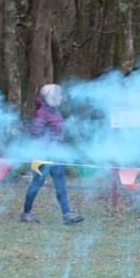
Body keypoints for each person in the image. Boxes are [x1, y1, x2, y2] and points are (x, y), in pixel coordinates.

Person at [20, 84, 84, 225]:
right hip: (44, 157)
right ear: (52, 97)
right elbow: (35, 133)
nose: (62, 97)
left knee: (61, 184)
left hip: (57, 155)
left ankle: (67, 214)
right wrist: (49, 146)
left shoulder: (55, 111)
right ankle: (26, 213)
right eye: (59, 95)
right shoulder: (42, 112)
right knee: (37, 184)